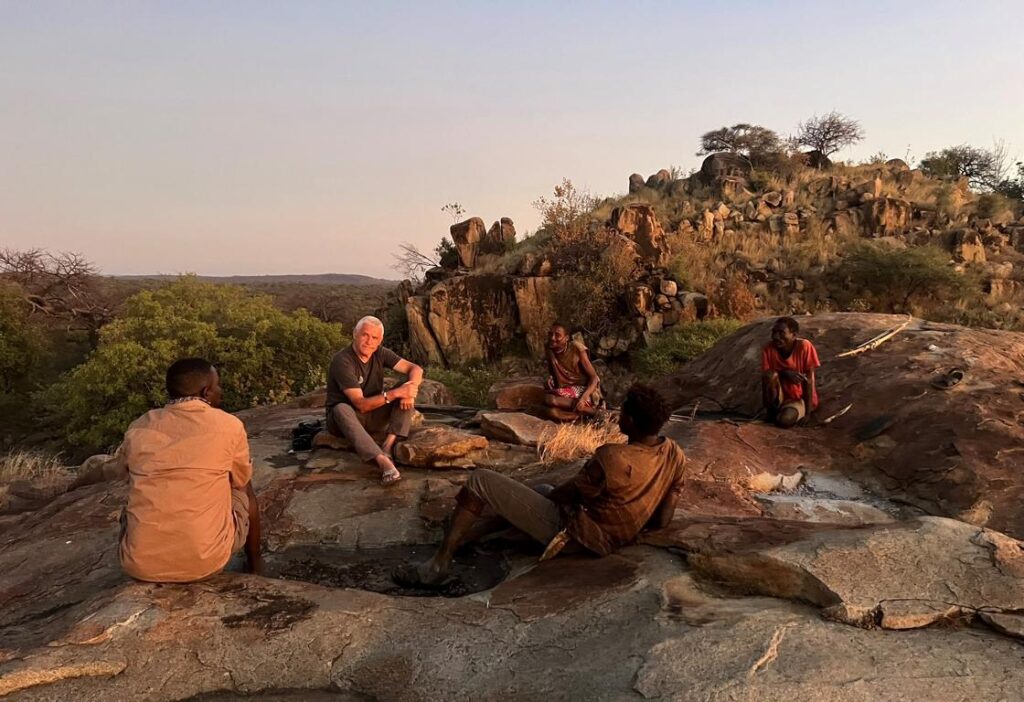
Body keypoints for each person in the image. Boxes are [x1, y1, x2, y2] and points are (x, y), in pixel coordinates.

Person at [396, 383, 686, 587]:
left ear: (632, 421)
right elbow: (662, 520)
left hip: (575, 535)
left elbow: (567, 495)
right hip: (608, 537)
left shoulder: (613, 457)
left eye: (623, 412)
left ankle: (439, 563)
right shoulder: (674, 453)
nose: (618, 416)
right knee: (541, 491)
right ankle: (467, 538)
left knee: (480, 480)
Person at [72, 358, 262, 582]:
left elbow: (115, 471)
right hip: (206, 563)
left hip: (140, 567)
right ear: (207, 391)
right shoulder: (229, 425)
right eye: (218, 385)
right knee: (243, 488)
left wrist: (72, 486)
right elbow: (240, 480)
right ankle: (255, 564)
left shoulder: (141, 425)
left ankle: (152, 548)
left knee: (137, 498)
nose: (221, 390)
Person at [326, 315, 423, 486]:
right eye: (365, 335)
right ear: (355, 334)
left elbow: (415, 368)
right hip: (346, 421)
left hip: (373, 415)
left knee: (405, 387)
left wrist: (409, 389)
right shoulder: (343, 361)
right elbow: (360, 405)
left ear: (380, 340)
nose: (369, 341)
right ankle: (382, 461)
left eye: (375, 338)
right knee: (341, 408)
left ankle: (387, 446)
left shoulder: (380, 353)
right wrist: (394, 394)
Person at [761, 316, 821, 428]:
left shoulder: (804, 347)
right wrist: (785, 372)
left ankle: (787, 413)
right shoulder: (768, 348)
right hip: (780, 396)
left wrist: (808, 413)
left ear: (794, 335)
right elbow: (766, 377)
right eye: (774, 332)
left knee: (784, 421)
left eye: (781, 333)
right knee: (769, 375)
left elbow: (808, 380)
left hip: (798, 398)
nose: (776, 337)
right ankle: (771, 412)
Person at [543, 323, 602, 422]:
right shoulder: (549, 348)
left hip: (584, 390)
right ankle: (584, 415)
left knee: (550, 400)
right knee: (552, 412)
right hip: (566, 392)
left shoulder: (577, 348)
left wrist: (583, 399)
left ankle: (593, 412)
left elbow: (594, 378)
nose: (552, 338)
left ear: (566, 338)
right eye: (550, 334)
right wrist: (549, 378)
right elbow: (552, 371)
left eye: (557, 335)